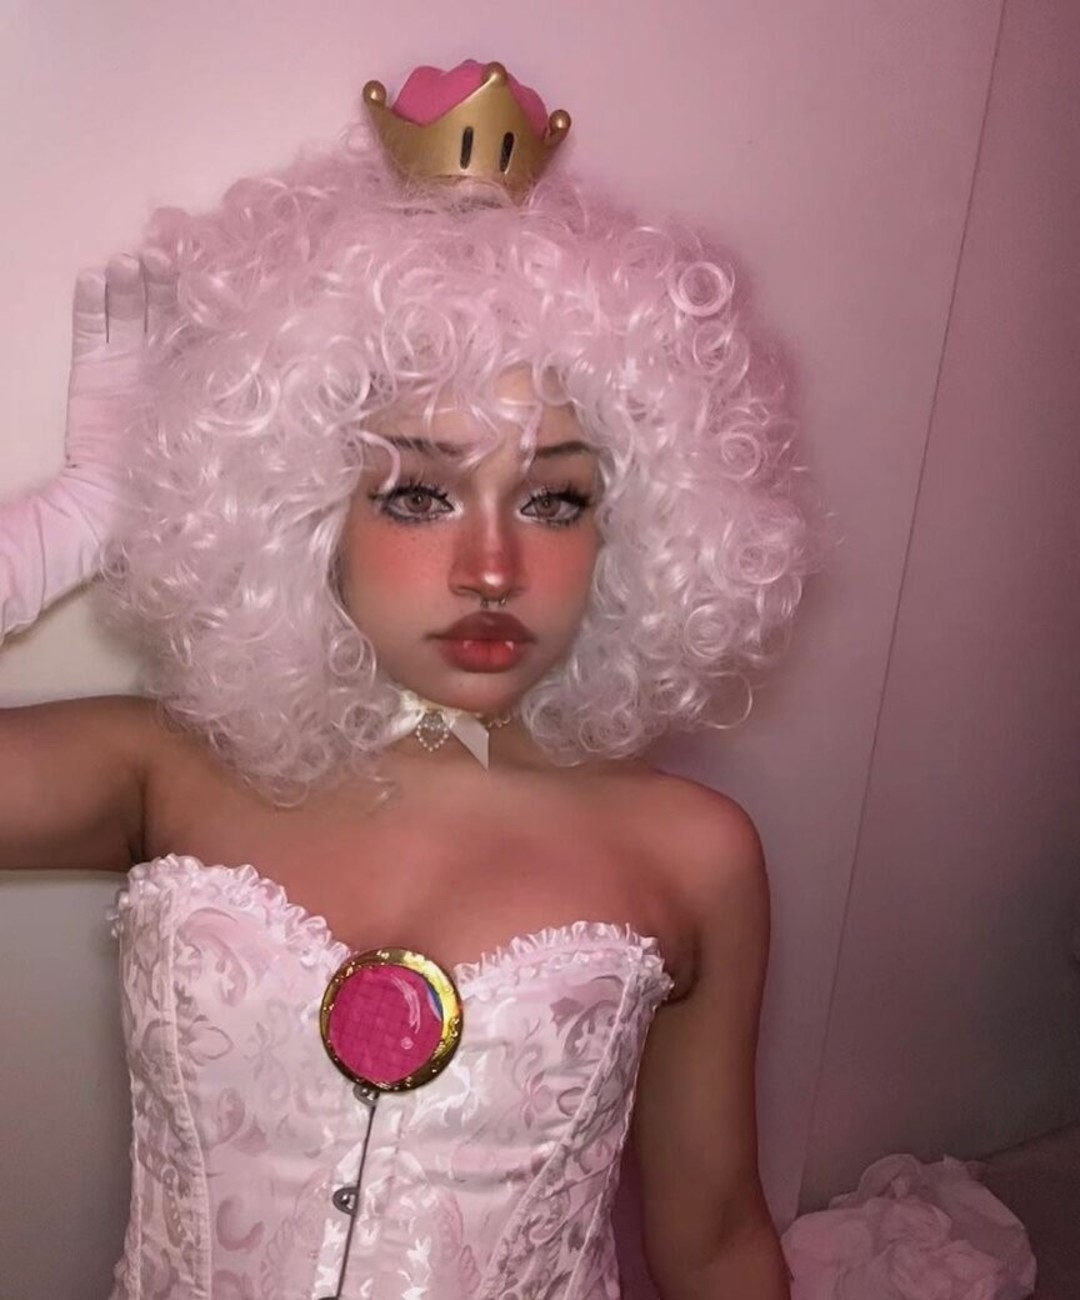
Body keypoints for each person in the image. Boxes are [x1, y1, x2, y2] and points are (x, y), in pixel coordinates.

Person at [0, 59, 809, 1300]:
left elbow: (714, 1244)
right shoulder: (170, 765)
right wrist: (68, 526)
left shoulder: (694, 851)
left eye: (554, 499)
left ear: (634, 527)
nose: (492, 567)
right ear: (305, 502)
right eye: (419, 493)